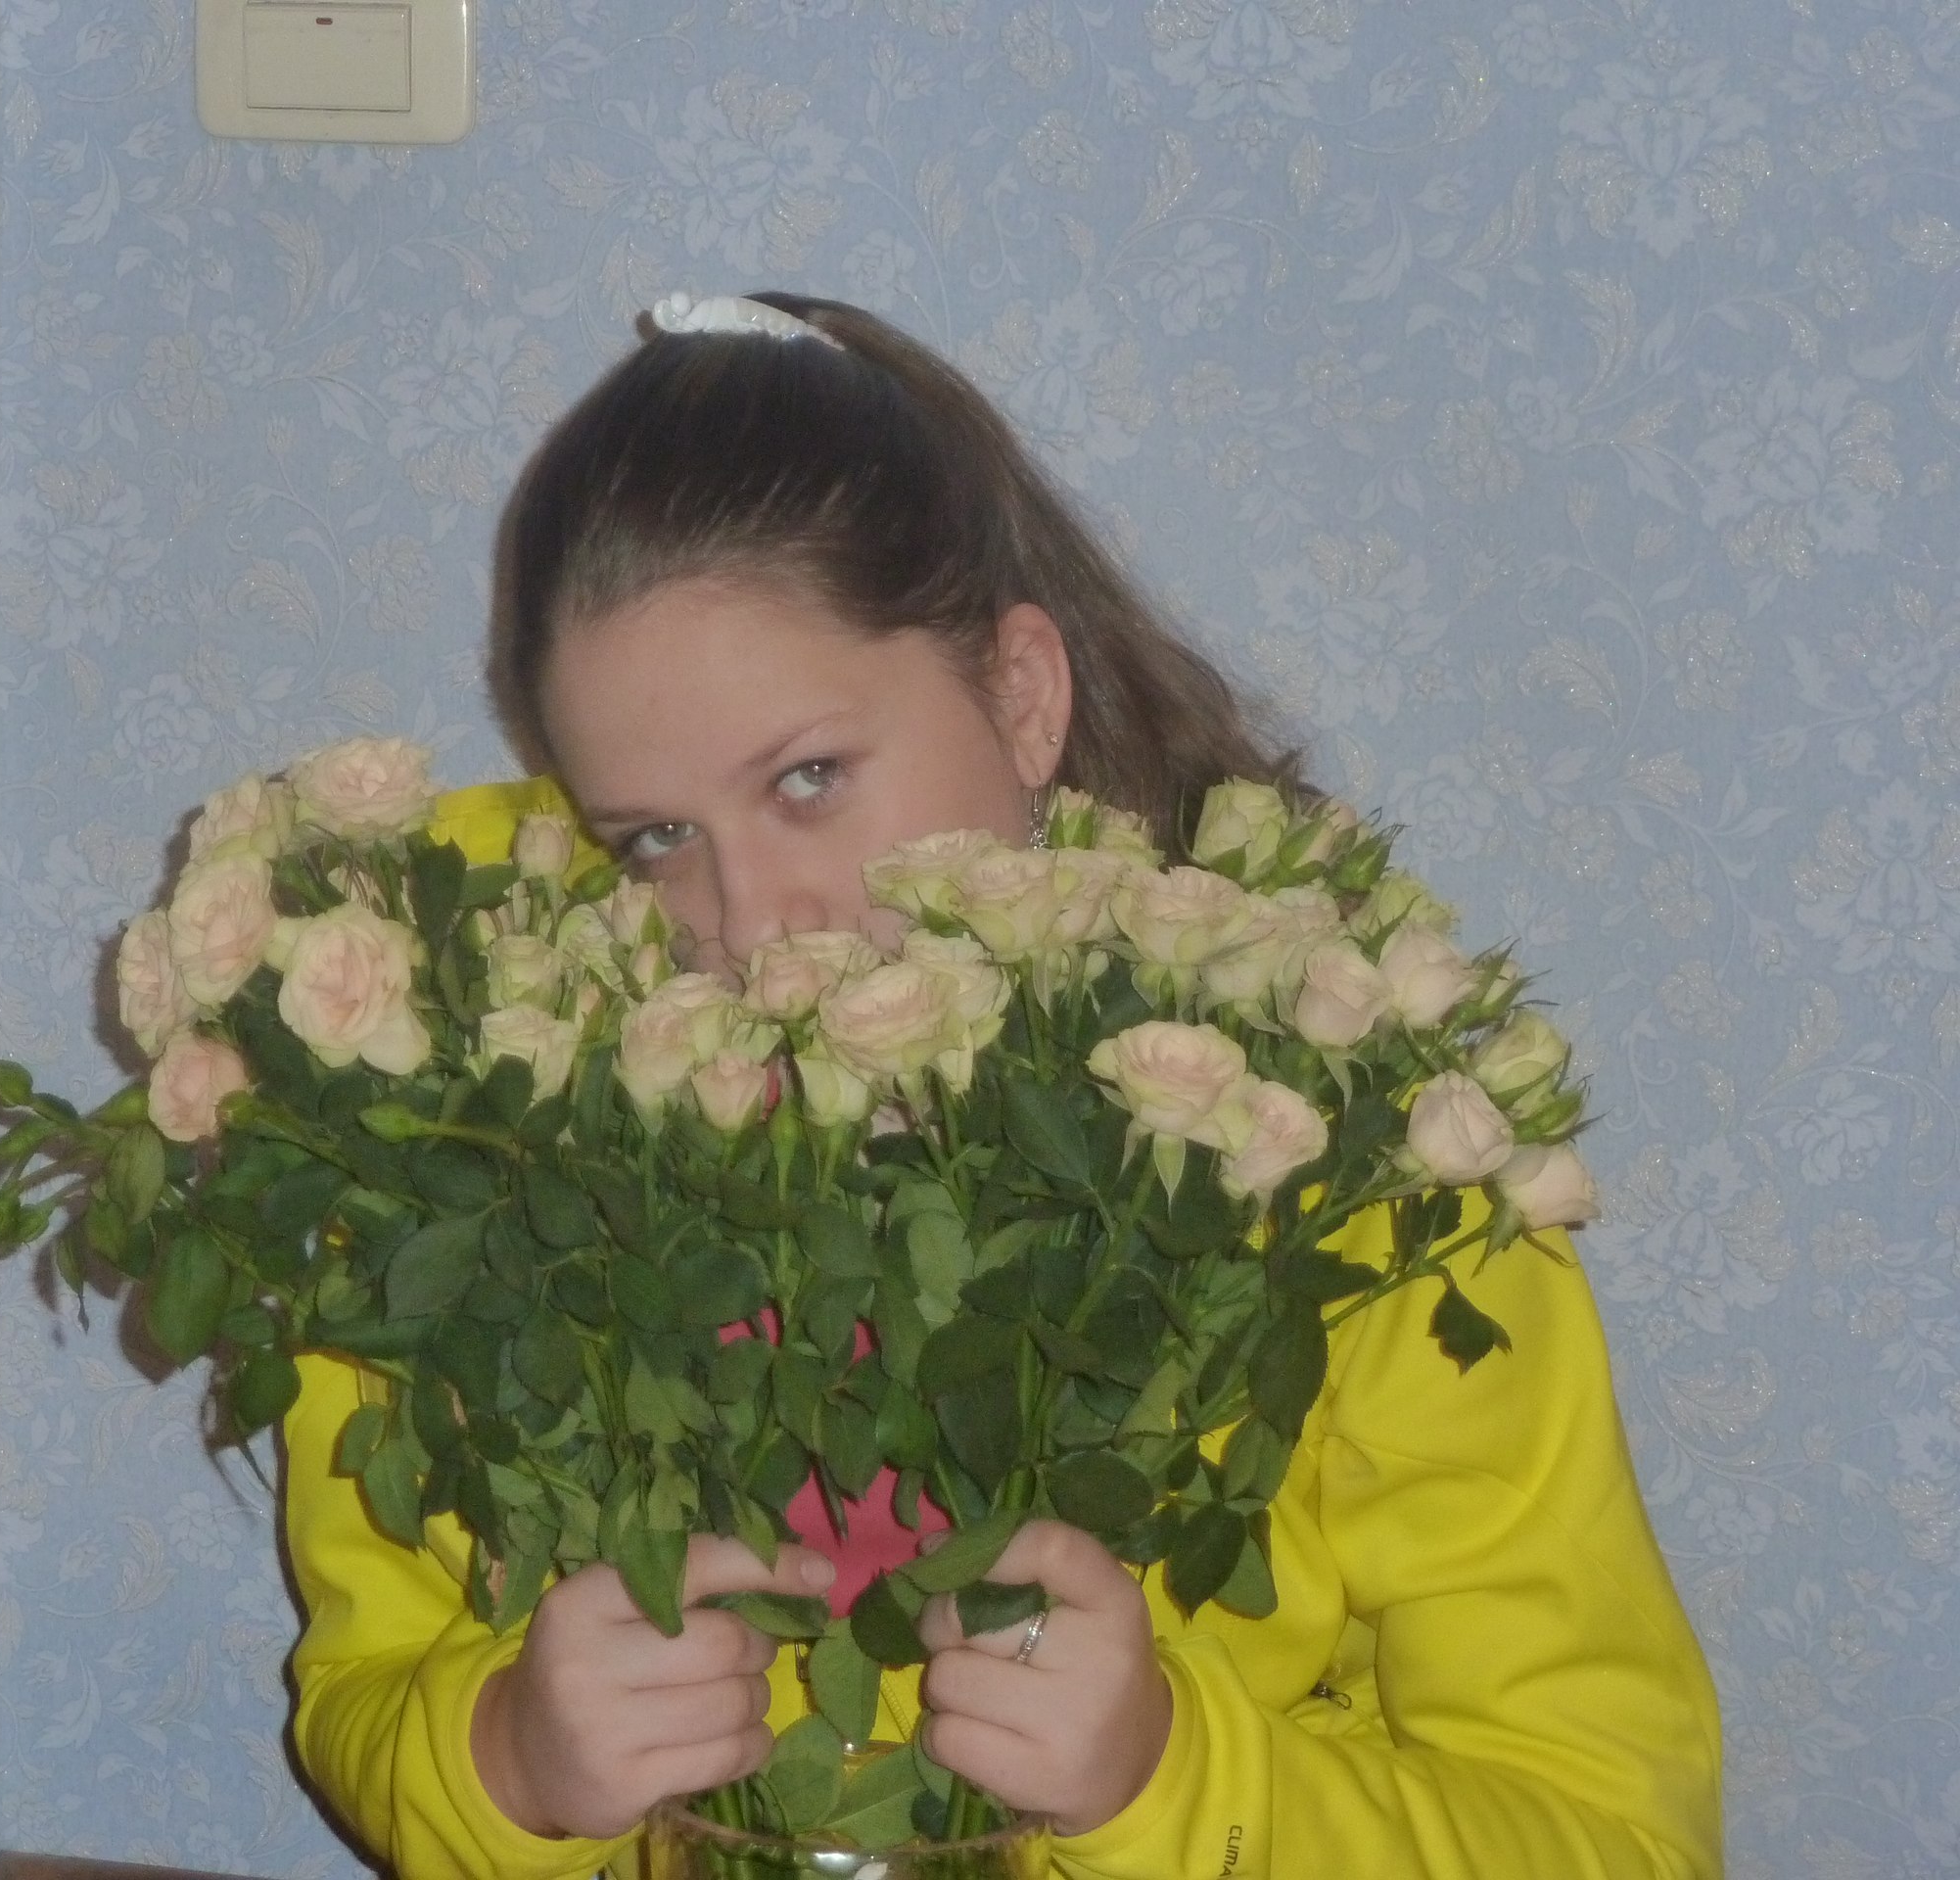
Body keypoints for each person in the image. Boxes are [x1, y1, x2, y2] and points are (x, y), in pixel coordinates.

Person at [278, 292, 1723, 1879]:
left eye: (810, 778)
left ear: (1024, 697)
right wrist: (507, 1761)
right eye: (655, 838)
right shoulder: (458, 1116)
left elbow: (1614, 1836)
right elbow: (367, 1679)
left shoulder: (1349, 1165)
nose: (753, 929)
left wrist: (1175, 1781)